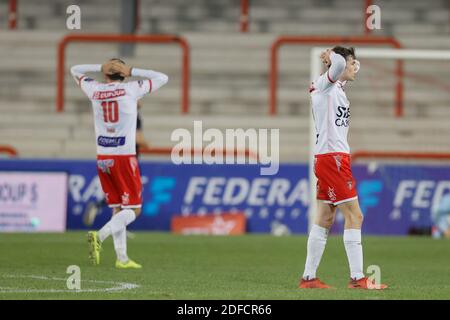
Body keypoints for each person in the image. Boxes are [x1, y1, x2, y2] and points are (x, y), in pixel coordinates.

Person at [299, 47, 387, 289]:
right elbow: (337, 67)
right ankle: (358, 278)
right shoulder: (324, 84)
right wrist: (332, 58)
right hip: (333, 159)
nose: (353, 67)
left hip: (329, 158)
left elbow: (347, 68)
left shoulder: (336, 87)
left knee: (325, 217)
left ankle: (308, 278)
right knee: (355, 215)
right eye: (350, 63)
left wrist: (349, 62)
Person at [71, 58, 168, 268]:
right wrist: (132, 70)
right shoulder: (131, 89)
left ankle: (122, 258)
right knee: (134, 210)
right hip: (123, 157)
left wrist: (98, 67)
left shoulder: (94, 89)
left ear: (106, 74)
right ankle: (100, 236)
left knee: (117, 208)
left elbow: (75, 69)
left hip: (102, 157)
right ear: (123, 74)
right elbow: (162, 77)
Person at [82, 100, 150, 227]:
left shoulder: (118, 115)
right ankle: (105, 232)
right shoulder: (134, 116)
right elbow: (139, 139)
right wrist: (147, 144)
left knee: (119, 201)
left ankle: (118, 230)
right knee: (134, 204)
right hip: (126, 161)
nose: (141, 101)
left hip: (107, 157)